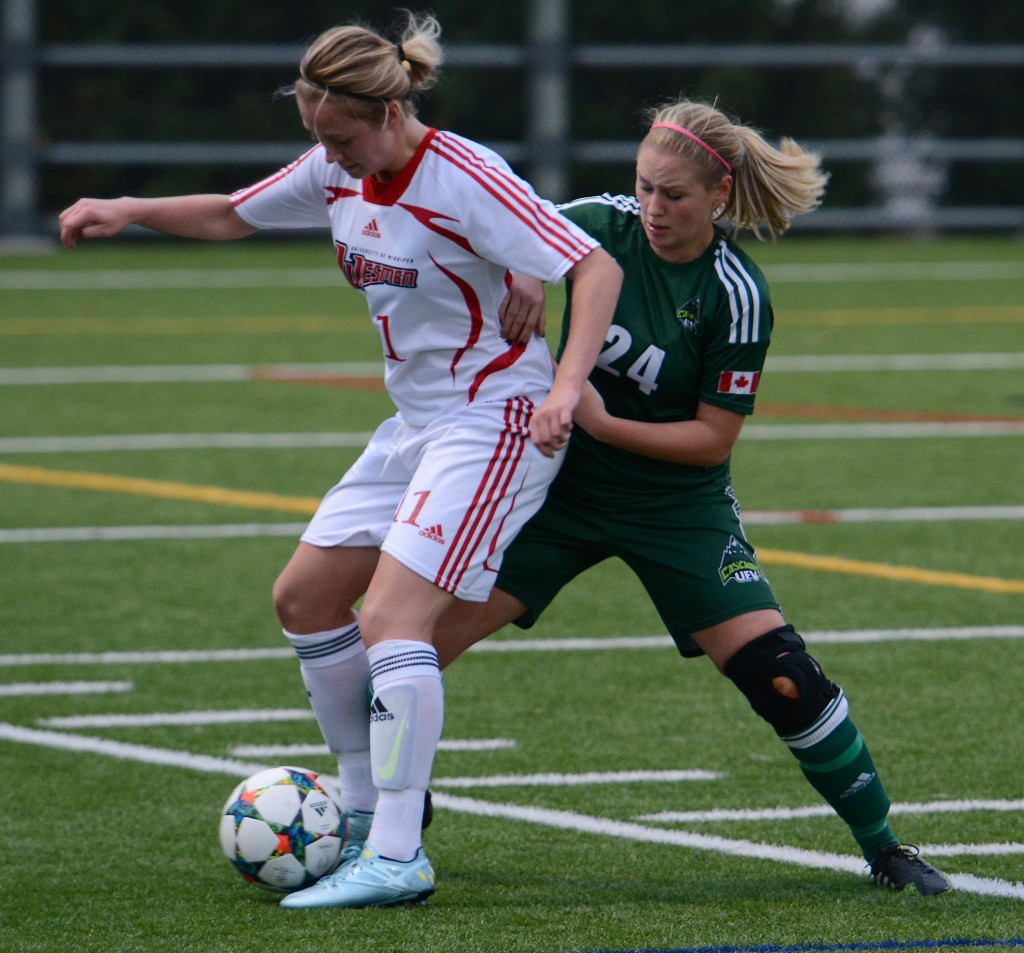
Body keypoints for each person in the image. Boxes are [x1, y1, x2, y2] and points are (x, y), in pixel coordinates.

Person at [59, 12, 622, 909]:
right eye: (317, 137)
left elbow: (591, 266)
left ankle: (398, 853)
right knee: (306, 596)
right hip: (415, 422)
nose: (330, 155)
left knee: (393, 620)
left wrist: (565, 383)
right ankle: (358, 808)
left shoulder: (462, 173)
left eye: (341, 136)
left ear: (389, 110)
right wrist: (129, 210)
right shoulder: (337, 167)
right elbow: (235, 214)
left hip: (496, 418)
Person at [432, 97, 951, 897]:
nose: (653, 209)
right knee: (411, 644)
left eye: (673, 195)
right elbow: (509, 230)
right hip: (554, 491)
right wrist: (528, 272)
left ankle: (885, 846)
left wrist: (603, 422)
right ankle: (387, 808)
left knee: (785, 676)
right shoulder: (601, 224)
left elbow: (712, 438)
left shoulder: (735, 294)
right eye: (644, 187)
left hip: (677, 504)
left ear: (719, 196)